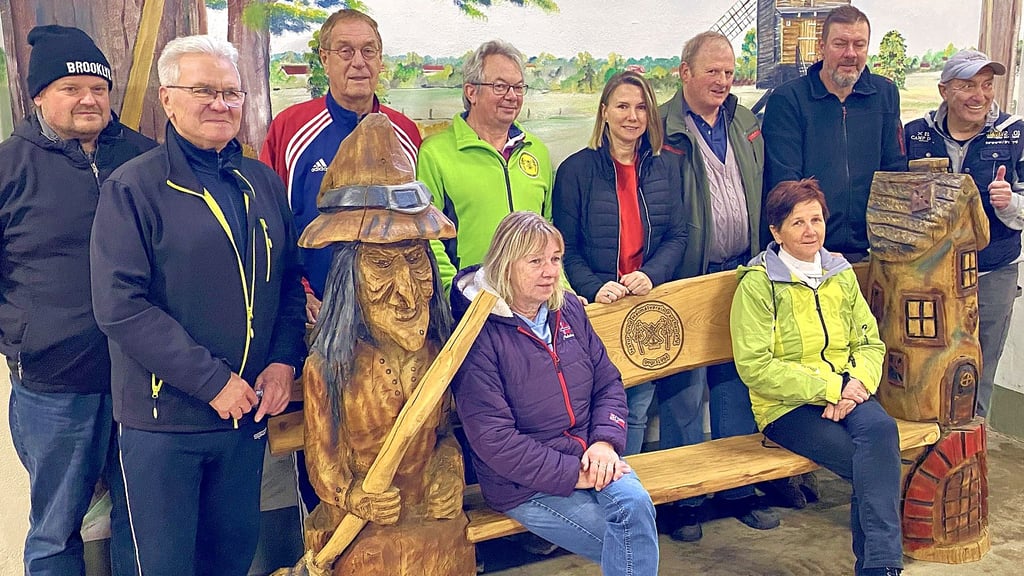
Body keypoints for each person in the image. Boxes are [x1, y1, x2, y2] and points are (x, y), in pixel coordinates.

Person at [90, 35, 307, 575]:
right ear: (167, 99)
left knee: (231, 557)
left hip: (245, 417)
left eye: (232, 92)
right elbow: (120, 306)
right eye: (204, 90)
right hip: (165, 424)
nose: (221, 104)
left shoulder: (261, 183)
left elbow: (285, 284)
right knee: (161, 566)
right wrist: (213, 382)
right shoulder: (134, 187)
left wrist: (282, 360)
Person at [0, 24, 155, 576]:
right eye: (70, 87)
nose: (88, 99)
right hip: (54, 382)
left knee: (141, 518)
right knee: (56, 525)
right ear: (40, 95)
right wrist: (20, 336)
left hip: (140, 377)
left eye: (98, 88)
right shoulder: (9, 167)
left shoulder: (145, 158)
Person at [451, 211, 659, 576]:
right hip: (523, 483)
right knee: (631, 540)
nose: (550, 271)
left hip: (591, 454)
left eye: (555, 259)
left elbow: (608, 383)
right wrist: (572, 473)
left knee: (636, 508)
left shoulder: (569, 309)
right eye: (535, 261)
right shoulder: (479, 334)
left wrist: (604, 444)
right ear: (505, 265)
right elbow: (493, 439)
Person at [731, 179, 903, 576]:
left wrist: (855, 385)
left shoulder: (839, 272)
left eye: (816, 219)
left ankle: (880, 567)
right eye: (797, 223)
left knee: (881, 431)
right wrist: (832, 387)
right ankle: (882, 568)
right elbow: (756, 367)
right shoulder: (758, 285)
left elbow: (870, 342)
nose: (811, 231)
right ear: (775, 231)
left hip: (848, 391)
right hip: (786, 407)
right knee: (872, 463)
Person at [655, 30, 781, 542]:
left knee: (737, 383)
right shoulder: (660, 126)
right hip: (687, 275)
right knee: (683, 389)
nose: (723, 82)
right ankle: (686, 500)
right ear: (684, 72)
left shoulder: (747, 122)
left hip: (743, 272)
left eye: (729, 73)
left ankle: (737, 488)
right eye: (712, 72)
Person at [552, 71, 686, 459]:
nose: (633, 116)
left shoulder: (665, 167)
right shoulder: (576, 171)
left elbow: (678, 235)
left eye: (642, 107)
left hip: (643, 305)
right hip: (596, 309)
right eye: (623, 106)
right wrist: (594, 287)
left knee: (638, 407)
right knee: (591, 409)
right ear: (605, 112)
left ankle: (631, 493)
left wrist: (651, 274)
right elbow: (567, 248)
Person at [260, 8, 422, 320]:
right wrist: (300, 291)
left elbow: (417, 226)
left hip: (390, 310)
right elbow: (269, 223)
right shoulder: (291, 129)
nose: (358, 62)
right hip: (316, 311)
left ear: (380, 59)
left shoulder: (406, 133)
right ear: (324, 58)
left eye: (368, 51)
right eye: (345, 51)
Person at [904, 49, 1024, 419]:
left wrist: (1010, 205)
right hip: (929, 275)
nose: (980, 95)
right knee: (928, 361)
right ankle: (927, 452)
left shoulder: (1014, 132)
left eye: (987, 85)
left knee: (980, 365)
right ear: (944, 90)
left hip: (992, 272)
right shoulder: (915, 134)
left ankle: (973, 455)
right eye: (967, 85)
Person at [762, 5, 907, 261]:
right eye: (840, 43)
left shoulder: (884, 95)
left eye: (859, 45)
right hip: (808, 253)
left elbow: (894, 170)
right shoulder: (789, 100)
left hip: (871, 252)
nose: (850, 54)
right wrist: (812, 247)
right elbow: (786, 183)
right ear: (822, 47)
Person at [417, 39, 553, 292]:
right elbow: (428, 238)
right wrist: (453, 294)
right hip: (471, 303)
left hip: (532, 304)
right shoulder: (435, 153)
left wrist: (561, 291)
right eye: (500, 86)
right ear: (471, 92)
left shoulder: (537, 152)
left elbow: (548, 229)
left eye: (518, 87)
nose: (512, 96)